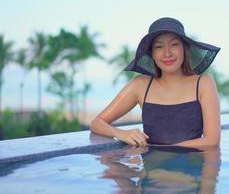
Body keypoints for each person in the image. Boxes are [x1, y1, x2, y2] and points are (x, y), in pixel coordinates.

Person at [90, 17, 221, 147]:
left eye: (174, 44)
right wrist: (121, 133)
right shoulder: (140, 85)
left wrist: (164, 154)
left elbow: (212, 140)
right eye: (159, 47)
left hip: (189, 165)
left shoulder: (203, 83)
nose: (167, 53)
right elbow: (97, 123)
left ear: (184, 49)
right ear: (152, 53)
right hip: (152, 167)